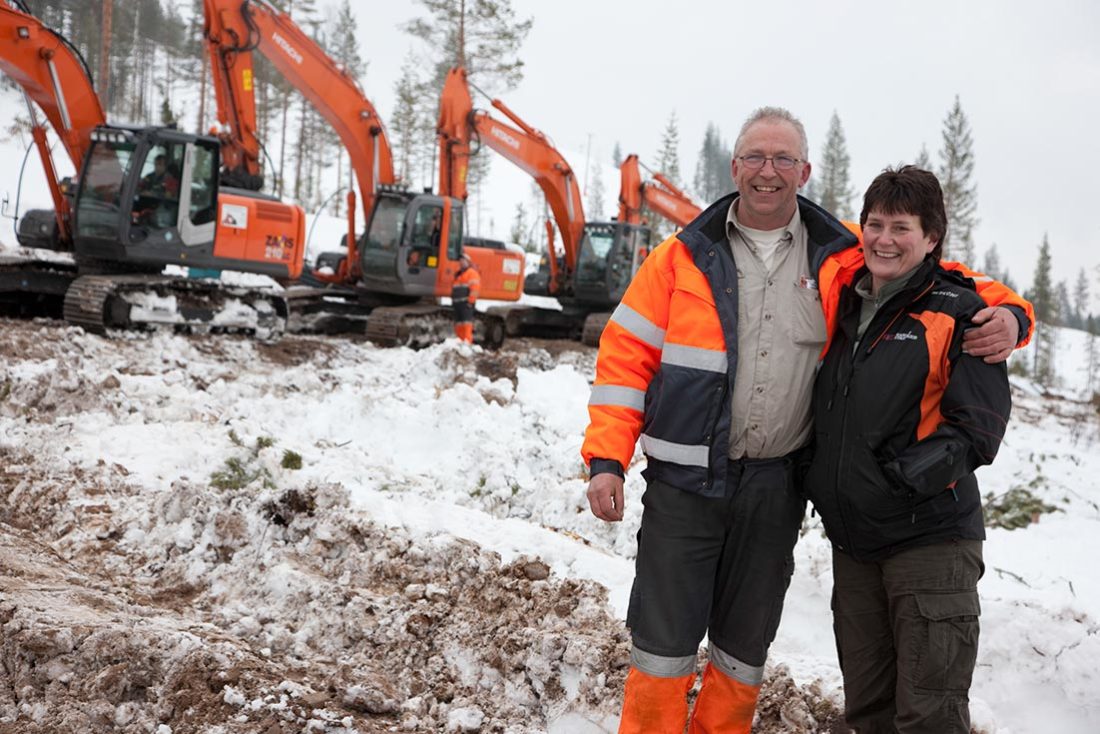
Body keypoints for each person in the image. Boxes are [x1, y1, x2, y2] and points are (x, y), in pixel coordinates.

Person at [580, 107, 1033, 734]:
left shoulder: (839, 255)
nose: (768, 171)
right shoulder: (679, 259)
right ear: (734, 167)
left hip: (776, 486)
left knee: (742, 652)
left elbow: (938, 279)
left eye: (783, 159)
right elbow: (625, 359)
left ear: (805, 171)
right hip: (684, 485)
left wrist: (1012, 315)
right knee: (661, 645)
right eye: (755, 157)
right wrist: (607, 459)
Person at [806, 166, 1009, 732]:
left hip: (929, 544)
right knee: (867, 713)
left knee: (929, 716)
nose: (884, 240)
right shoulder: (845, 306)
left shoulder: (960, 312)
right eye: (875, 225)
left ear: (932, 237)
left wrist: (896, 483)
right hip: (855, 545)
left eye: (901, 228)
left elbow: (978, 428)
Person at [452, 254, 480, 343]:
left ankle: (467, 343)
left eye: (463, 261)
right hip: (458, 304)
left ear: (468, 262)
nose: (461, 262)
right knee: (459, 325)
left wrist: (470, 302)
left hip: (466, 304)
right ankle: (460, 342)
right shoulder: (458, 274)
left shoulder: (472, 273)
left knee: (466, 325)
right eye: (460, 261)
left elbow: (475, 289)